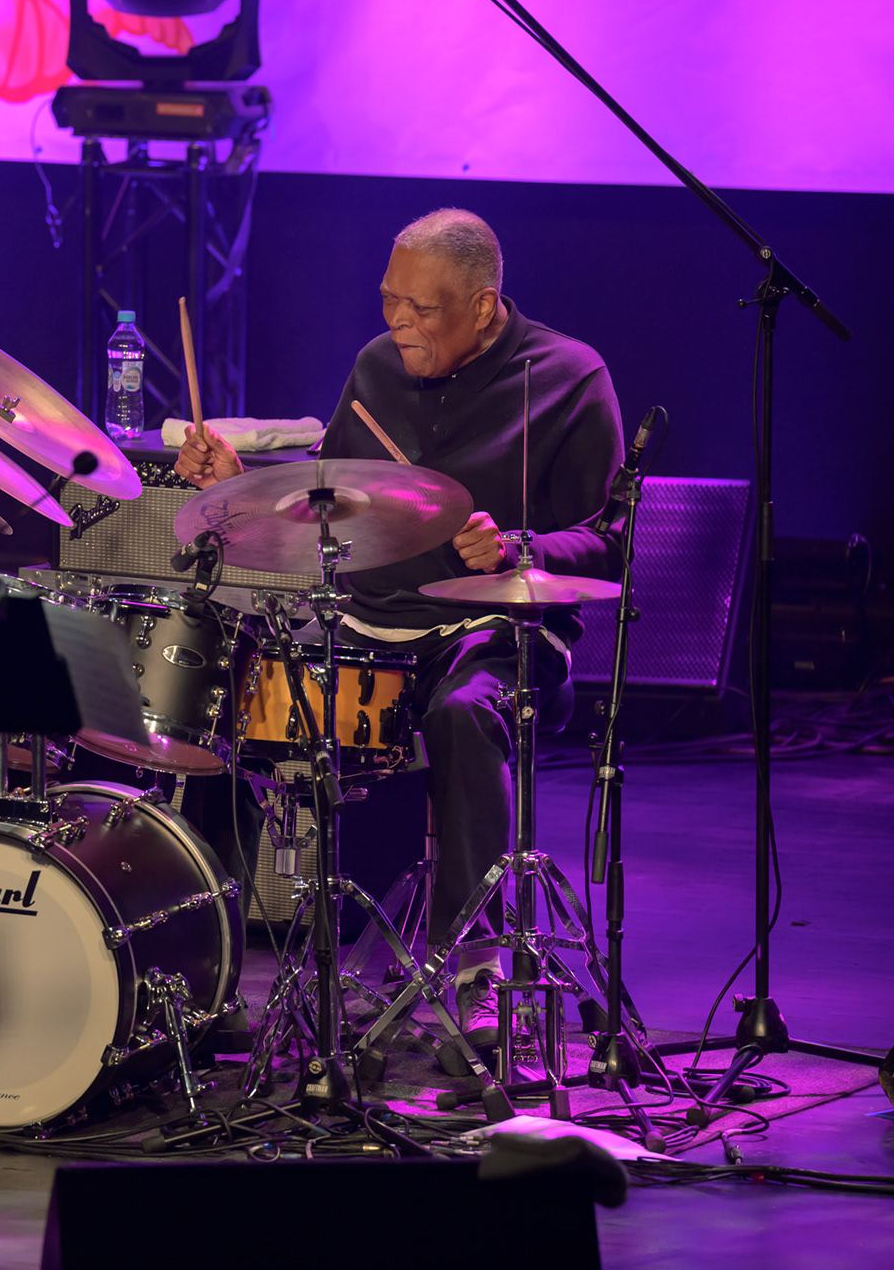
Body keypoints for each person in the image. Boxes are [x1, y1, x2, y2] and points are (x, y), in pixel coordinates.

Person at [176, 208, 625, 1050]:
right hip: (372, 617)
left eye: (421, 308)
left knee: (463, 713)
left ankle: (476, 968)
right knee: (221, 696)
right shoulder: (376, 366)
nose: (399, 323)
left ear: (483, 307)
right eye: (389, 301)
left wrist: (520, 547)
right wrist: (239, 482)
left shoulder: (570, 377)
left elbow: (608, 540)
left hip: (497, 624)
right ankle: (202, 964)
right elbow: (332, 494)